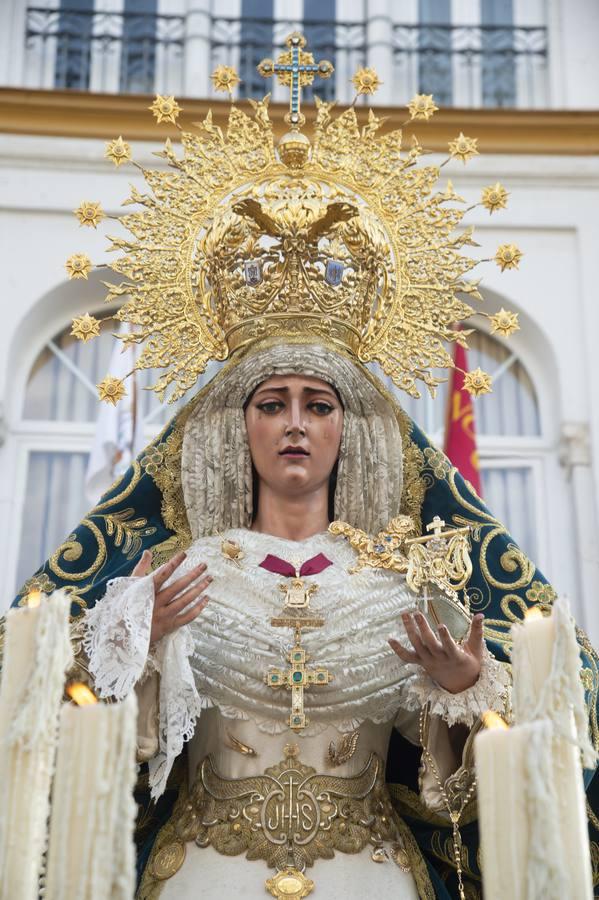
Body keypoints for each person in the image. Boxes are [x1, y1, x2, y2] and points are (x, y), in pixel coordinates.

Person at [11, 34, 599, 898]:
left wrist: (469, 690)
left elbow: (474, 788)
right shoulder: (180, 576)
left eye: (318, 405)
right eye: (271, 403)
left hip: (372, 875)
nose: (294, 424)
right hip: (202, 873)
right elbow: (100, 757)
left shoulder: (400, 585)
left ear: (346, 431)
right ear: (237, 429)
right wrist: (138, 646)